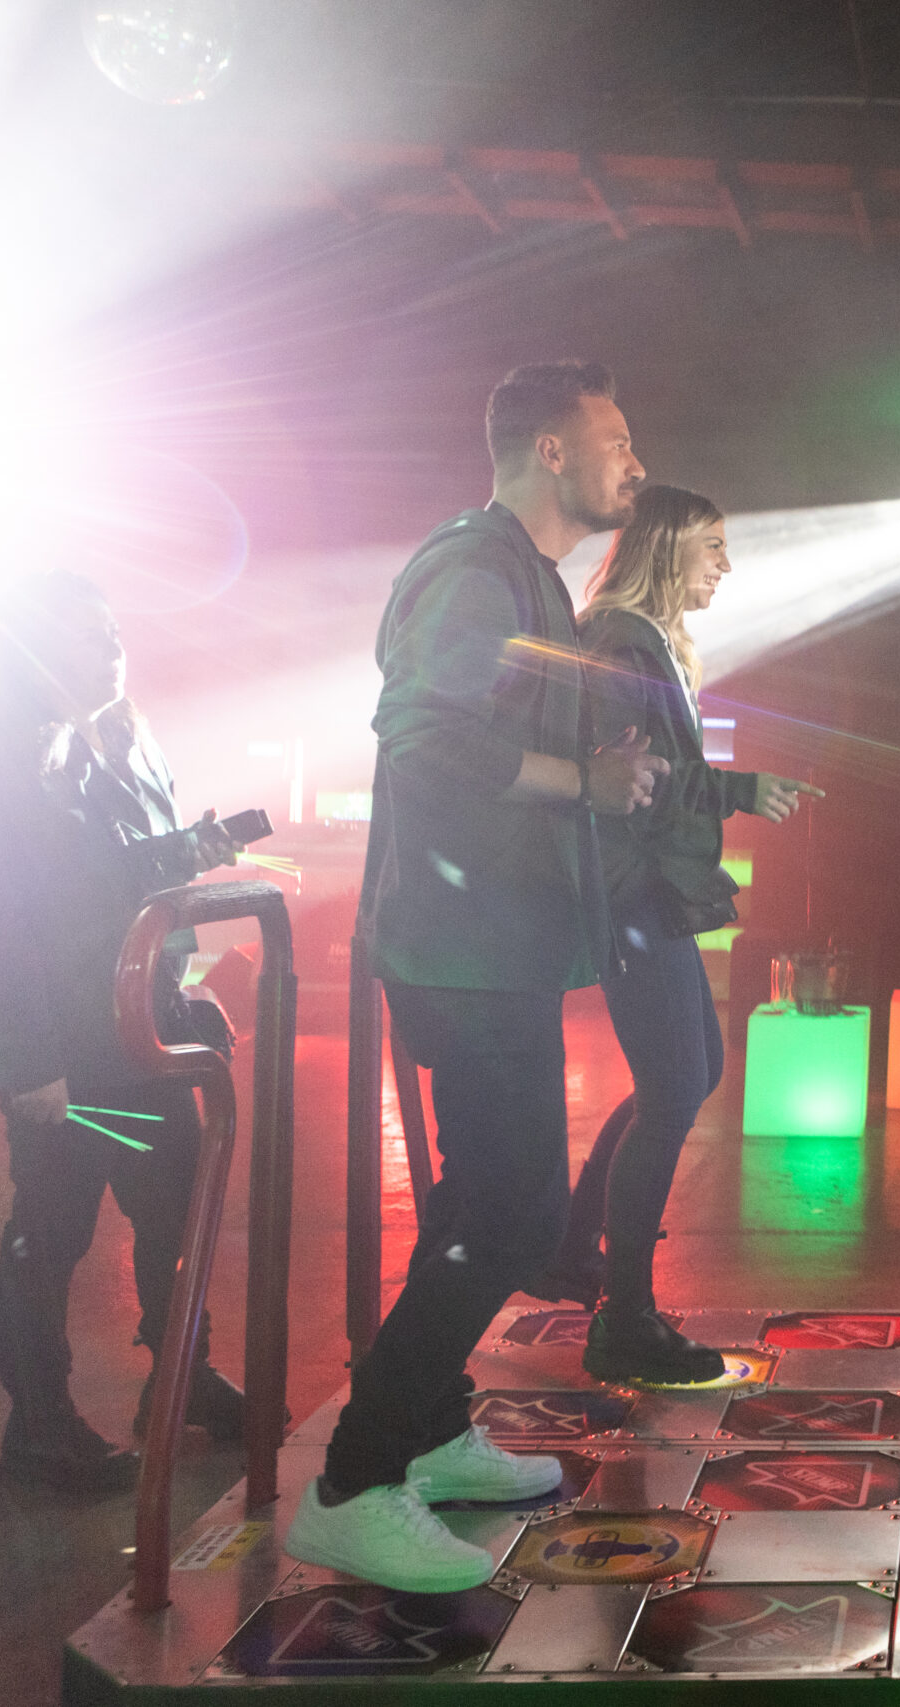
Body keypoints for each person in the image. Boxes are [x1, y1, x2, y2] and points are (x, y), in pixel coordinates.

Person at [282, 360, 666, 1593]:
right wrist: (582, 781)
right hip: (463, 950)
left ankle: (430, 1429)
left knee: (474, 1206)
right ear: (550, 449)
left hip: (497, 946)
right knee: (513, 1215)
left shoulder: (524, 575)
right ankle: (353, 1483)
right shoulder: (473, 567)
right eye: (616, 439)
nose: (635, 463)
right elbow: (425, 740)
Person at [532, 484, 819, 1384]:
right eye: (713, 546)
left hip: (650, 894)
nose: (726, 564)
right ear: (666, 550)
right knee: (676, 1085)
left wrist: (732, 791)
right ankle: (623, 1318)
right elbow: (639, 781)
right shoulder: (622, 643)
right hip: (636, 894)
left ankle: (574, 1248)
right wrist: (739, 791)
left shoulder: (641, 640)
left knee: (692, 1073)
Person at [0, 572, 246, 1495]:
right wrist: (29, 1062)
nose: (111, 650)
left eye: (114, 632)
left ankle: (182, 1377)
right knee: (53, 1230)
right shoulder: (12, 754)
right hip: (70, 1043)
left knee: (175, 1206)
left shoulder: (122, 735)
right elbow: (6, 923)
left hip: (141, 1031)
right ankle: (38, 1423)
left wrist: (184, 992)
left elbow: (123, 881)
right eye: (86, 636)